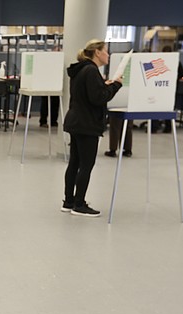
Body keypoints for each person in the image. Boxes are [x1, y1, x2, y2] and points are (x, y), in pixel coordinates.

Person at [62, 39, 122, 217]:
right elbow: (98, 98)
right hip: (86, 123)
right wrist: (116, 85)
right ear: (97, 52)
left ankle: (69, 201)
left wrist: (105, 85)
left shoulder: (81, 69)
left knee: (75, 162)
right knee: (86, 164)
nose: (108, 55)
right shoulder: (91, 71)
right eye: (106, 51)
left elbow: (90, 93)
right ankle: (79, 204)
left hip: (76, 121)